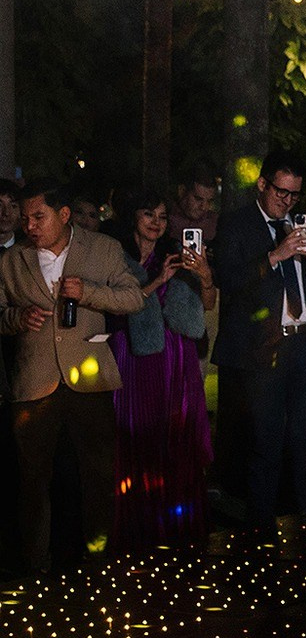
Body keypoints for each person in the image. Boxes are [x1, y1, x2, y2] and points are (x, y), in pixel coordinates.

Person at [0, 184, 146, 570]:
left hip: (90, 378)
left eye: (38, 217)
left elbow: (134, 298)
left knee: (97, 474)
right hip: (34, 380)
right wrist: (17, 318)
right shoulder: (11, 260)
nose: (29, 226)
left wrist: (90, 293)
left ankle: (96, 556)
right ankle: (32, 562)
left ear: (63, 215)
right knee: (32, 479)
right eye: (25, 218)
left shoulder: (103, 249)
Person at [214, 158, 306, 528]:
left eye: (295, 195)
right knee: (265, 441)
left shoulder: (305, 226)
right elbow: (230, 280)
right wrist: (275, 255)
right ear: (262, 185)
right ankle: (260, 529)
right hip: (263, 348)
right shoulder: (237, 224)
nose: (287, 201)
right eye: (281, 192)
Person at [109, 192, 215, 549]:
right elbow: (112, 307)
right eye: (148, 213)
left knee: (172, 442)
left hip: (175, 358)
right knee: (134, 439)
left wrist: (204, 276)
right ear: (132, 216)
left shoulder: (176, 256)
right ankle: (134, 531)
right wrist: (157, 281)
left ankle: (175, 529)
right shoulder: (114, 256)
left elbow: (208, 305)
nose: (156, 221)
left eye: (163, 216)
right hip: (132, 355)